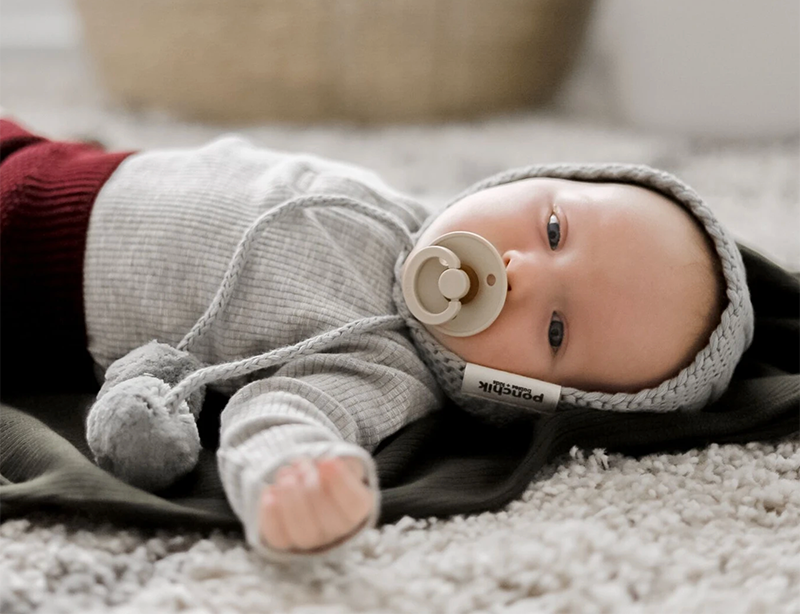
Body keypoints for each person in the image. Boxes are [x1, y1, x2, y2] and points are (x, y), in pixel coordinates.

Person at [0, 116, 753, 561]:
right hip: (64, 163)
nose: (518, 272)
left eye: (555, 329)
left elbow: (284, 412)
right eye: (553, 228)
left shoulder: (385, 368)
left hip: (27, 267)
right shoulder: (406, 210)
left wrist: (296, 477)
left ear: (517, 395)